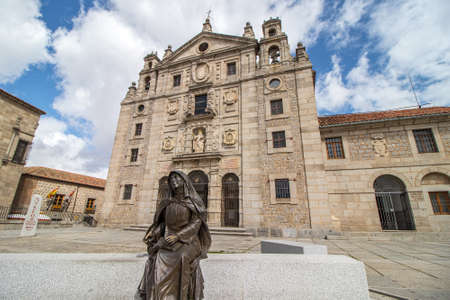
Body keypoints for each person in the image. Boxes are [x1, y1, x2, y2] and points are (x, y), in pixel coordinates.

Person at [137, 170, 211, 300]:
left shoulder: (193, 201)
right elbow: (162, 224)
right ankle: (159, 296)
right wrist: (154, 233)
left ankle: (180, 296)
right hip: (168, 239)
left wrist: (178, 236)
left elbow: (196, 223)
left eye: (177, 178)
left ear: (184, 181)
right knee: (157, 257)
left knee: (181, 256)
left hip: (189, 240)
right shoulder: (167, 201)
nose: (174, 181)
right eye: (171, 180)